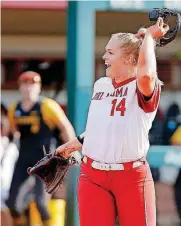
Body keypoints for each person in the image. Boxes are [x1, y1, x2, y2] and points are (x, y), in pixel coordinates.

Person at [55, 17, 169, 226]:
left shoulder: (142, 85)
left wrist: (149, 40)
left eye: (110, 52)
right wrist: (74, 144)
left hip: (131, 176)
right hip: (92, 175)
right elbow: (103, 127)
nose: (104, 56)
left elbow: (146, 74)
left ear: (127, 59)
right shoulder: (101, 85)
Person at [6, 71, 77, 226]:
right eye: (25, 85)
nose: (28, 88)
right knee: (12, 203)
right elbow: (13, 132)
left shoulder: (47, 106)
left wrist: (73, 149)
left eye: (33, 85)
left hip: (45, 160)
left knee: (41, 202)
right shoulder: (14, 109)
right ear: (20, 87)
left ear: (38, 87)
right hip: (24, 159)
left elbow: (65, 127)